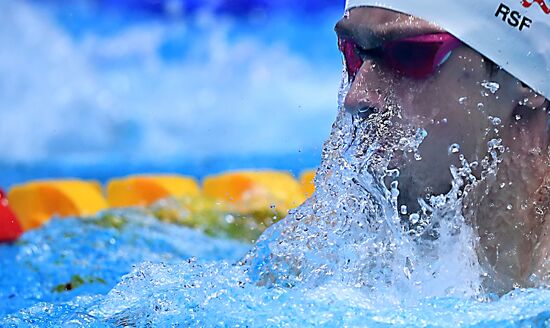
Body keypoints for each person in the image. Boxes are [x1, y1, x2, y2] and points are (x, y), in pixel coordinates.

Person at [335, 1, 549, 292]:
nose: (357, 96)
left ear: (527, 83)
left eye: (409, 54)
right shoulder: (320, 260)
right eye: (353, 52)